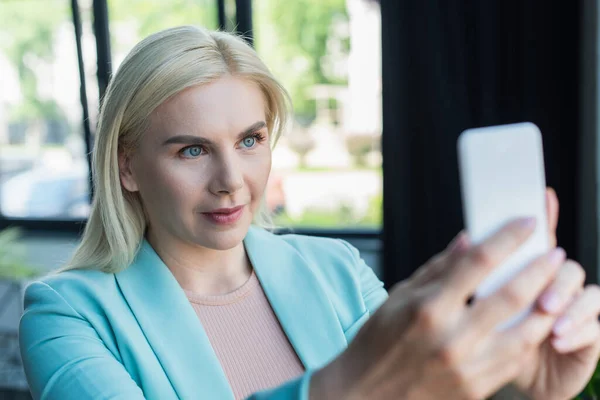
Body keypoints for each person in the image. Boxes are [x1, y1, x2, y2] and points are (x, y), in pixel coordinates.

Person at [19, 26, 600, 400]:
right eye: (192, 150)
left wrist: (525, 392)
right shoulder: (67, 314)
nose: (231, 181)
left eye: (250, 140)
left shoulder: (334, 269)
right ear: (126, 167)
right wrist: (348, 387)